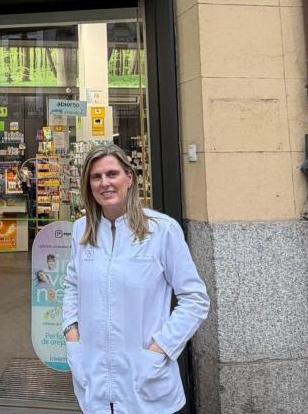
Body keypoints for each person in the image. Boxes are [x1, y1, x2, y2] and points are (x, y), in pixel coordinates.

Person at [61, 144, 209, 414]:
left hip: (146, 381)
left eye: (112, 174)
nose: (104, 183)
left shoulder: (161, 230)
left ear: (129, 178)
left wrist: (159, 349)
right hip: (94, 382)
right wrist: (72, 335)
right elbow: (72, 285)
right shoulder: (81, 231)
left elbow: (195, 299)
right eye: (96, 177)